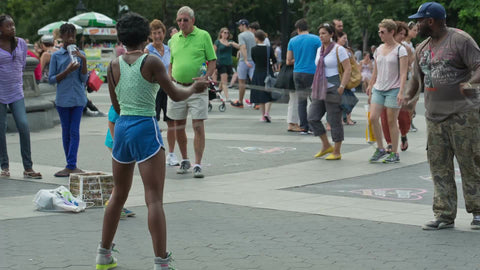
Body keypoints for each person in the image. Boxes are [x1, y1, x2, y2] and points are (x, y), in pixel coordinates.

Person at [96, 12, 208, 270]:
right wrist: (194, 88)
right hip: (145, 126)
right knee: (153, 199)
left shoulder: (113, 65)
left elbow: (116, 105)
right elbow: (176, 95)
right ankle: (161, 262)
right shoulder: (152, 61)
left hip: (122, 129)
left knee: (117, 195)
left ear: (121, 38)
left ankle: (103, 254)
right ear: (145, 35)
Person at [404, 2, 480, 230]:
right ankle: (444, 214)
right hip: (435, 117)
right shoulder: (422, 48)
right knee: (439, 166)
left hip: (463, 115)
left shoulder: (460, 40)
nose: (416, 24)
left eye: (419, 20)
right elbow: (416, 80)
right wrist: (407, 99)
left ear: (431, 21)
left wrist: (469, 83)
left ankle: (478, 212)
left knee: (471, 163)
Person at [168, 6, 217, 178]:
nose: (182, 23)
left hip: (197, 87)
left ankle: (197, 163)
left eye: (185, 20)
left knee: (197, 126)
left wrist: (207, 78)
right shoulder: (173, 39)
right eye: (179, 20)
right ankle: (184, 159)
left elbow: (212, 61)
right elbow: (171, 63)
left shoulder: (203, 35)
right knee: (178, 125)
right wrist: (169, 79)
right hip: (178, 87)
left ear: (193, 21)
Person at [0, 14, 42, 179]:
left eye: (13, 25)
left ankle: (28, 166)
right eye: (8, 26)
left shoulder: (21, 44)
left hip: (16, 91)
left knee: (23, 126)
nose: (12, 28)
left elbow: (23, 64)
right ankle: (4, 166)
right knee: (0, 129)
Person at [48, 23, 88, 177]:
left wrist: (83, 61)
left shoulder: (80, 53)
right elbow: (51, 79)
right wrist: (67, 71)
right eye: (68, 35)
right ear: (62, 37)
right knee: (66, 132)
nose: (71, 38)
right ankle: (69, 164)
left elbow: (84, 78)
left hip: (78, 98)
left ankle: (72, 165)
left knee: (74, 131)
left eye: (73, 35)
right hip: (63, 100)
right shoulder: (56, 56)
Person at [366, 19, 408, 163]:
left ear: (391, 32)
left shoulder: (400, 50)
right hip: (379, 87)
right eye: (379, 32)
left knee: (391, 121)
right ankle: (380, 148)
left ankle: (394, 152)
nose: (380, 35)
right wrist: (370, 85)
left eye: (383, 32)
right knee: (373, 118)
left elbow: (403, 73)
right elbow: (375, 71)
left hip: (393, 88)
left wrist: (401, 91)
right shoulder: (378, 49)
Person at [309, 23, 351, 160]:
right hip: (319, 87)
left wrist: (342, 86)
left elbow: (348, 69)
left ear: (331, 34)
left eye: (324, 33)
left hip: (334, 87)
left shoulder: (339, 49)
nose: (321, 36)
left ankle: (337, 151)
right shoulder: (319, 50)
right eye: (320, 33)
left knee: (334, 120)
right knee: (313, 117)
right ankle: (326, 145)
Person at [144, 19, 179, 167]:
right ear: (150, 35)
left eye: (159, 33)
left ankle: (171, 153)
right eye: (154, 33)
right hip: (154, 90)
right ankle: (153, 152)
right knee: (153, 121)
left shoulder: (169, 48)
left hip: (168, 88)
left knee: (172, 122)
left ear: (164, 33)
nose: (157, 36)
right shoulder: (147, 50)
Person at [380, 21, 413, 152]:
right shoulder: (382, 48)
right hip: (385, 86)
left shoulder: (406, 49)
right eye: (401, 34)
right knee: (385, 116)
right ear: (393, 32)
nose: (403, 37)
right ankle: (389, 142)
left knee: (403, 116)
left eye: (405, 35)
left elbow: (409, 67)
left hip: (401, 85)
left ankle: (403, 134)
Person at [286, 18, 322, 134]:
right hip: (312, 72)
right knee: (314, 100)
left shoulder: (292, 40)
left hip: (297, 72)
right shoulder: (316, 39)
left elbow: (288, 60)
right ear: (308, 28)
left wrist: (299, 59)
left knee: (301, 101)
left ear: (298, 29)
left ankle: (303, 127)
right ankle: (313, 125)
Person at [250, 30, 276, 122]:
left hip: (258, 72)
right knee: (269, 93)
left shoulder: (253, 49)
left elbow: (254, 60)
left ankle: (262, 115)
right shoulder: (269, 48)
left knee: (260, 93)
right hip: (268, 72)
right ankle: (267, 113)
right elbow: (274, 60)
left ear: (257, 38)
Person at [230, 19, 256, 108]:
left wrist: (245, 59)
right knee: (254, 81)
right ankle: (257, 102)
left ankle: (240, 102)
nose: (238, 27)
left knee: (242, 82)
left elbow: (243, 47)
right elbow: (243, 46)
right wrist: (234, 44)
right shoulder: (253, 35)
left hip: (244, 61)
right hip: (253, 60)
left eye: (239, 25)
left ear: (244, 25)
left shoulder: (241, 35)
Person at [337, 31, 358, 126]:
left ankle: (348, 118)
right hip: (341, 77)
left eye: (346, 38)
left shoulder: (346, 50)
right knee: (342, 99)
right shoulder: (338, 49)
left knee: (348, 98)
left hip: (347, 77)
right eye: (343, 38)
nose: (345, 40)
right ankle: (342, 119)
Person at [214, 27, 237, 101]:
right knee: (224, 81)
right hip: (221, 63)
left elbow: (239, 46)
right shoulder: (217, 42)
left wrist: (231, 43)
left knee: (223, 80)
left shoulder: (230, 41)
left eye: (227, 33)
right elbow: (213, 52)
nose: (226, 34)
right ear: (221, 33)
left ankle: (218, 93)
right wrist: (213, 64)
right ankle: (227, 97)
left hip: (229, 63)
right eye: (224, 32)